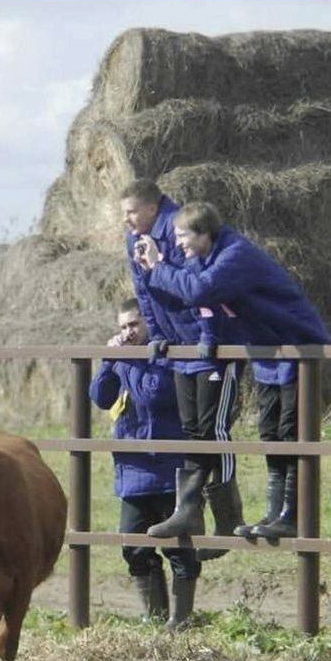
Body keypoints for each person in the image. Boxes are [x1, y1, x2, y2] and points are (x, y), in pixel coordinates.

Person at [134, 201, 331, 553]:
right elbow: (191, 297)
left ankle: (292, 512)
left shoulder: (235, 255)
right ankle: (275, 514)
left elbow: (199, 291)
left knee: (291, 432)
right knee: (271, 432)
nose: (178, 244)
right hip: (265, 348)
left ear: (204, 233)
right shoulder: (204, 258)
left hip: (296, 344)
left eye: (182, 236)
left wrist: (159, 266)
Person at [123, 185, 244, 555]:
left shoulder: (180, 229)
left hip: (212, 346)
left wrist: (209, 335)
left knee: (213, 427)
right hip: (178, 347)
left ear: (152, 206)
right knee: (191, 428)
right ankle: (189, 509)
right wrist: (157, 335)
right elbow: (144, 292)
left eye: (131, 211)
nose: (125, 219)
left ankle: (228, 518)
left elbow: (200, 286)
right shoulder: (136, 240)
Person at [90, 298, 200, 629]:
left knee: (180, 550)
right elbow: (99, 396)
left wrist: (128, 360)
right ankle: (155, 620)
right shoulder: (123, 357)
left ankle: (180, 622)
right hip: (133, 468)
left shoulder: (171, 352)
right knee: (133, 546)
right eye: (122, 327)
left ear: (150, 322)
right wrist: (110, 361)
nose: (128, 332)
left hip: (171, 467)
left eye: (134, 324)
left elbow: (154, 393)